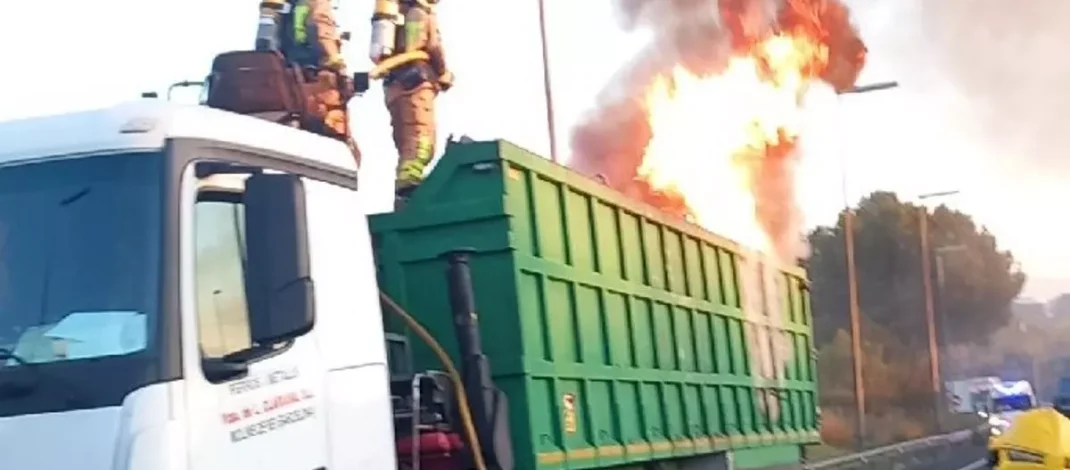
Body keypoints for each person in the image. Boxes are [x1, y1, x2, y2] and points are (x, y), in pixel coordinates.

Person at [258, 0, 362, 165]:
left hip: (289, 81)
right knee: (336, 140)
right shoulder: (316, 2)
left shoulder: (285, 7)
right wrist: (339, 68)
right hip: (316, 83)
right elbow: (320, 31)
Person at [379, 0, 452, 207]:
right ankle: (408, 191)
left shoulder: (398, 13)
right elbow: (430, 47)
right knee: (420, 141)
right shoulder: (420, 12)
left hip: (396, 88)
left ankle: (405, 190)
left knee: (406, 143)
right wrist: (443, 72)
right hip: (415, 85)